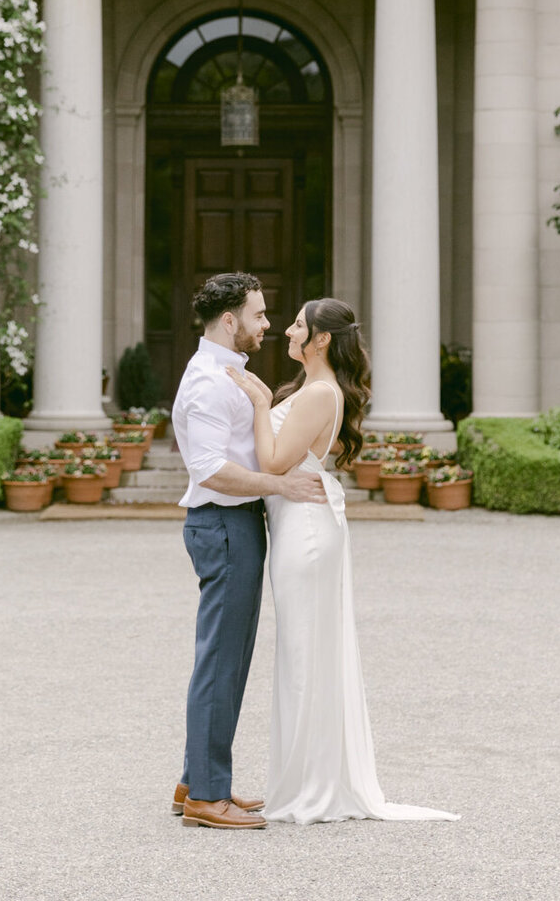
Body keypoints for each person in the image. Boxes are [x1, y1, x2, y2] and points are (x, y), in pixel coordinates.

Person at [226, 297, 460, 825]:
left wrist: (262, 404)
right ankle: (305, 778)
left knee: (305, 655)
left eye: (298, 325)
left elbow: (273, 461)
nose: (287, 330)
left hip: (305, 535)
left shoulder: (319, 393)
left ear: (322, 338)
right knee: (302, 654)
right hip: (298, 525)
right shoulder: (315, 390)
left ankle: (313, 786)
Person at [172, 270, 328, 830]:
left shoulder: (227, 374)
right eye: (260, 315)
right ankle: (206, 798)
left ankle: (197, 780)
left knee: (228, 657)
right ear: (231, 320)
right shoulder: (211, 383)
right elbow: (210, 470)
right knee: (221, 659)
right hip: (223, 525)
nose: (267, 324)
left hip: (233, 526)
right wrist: (282, 486)